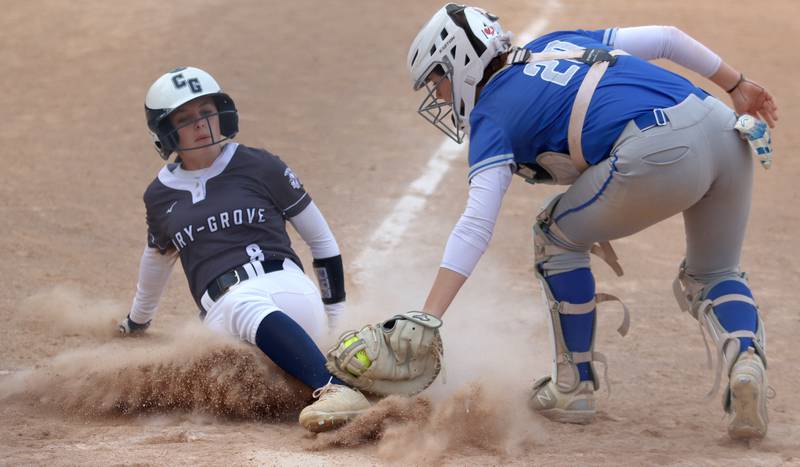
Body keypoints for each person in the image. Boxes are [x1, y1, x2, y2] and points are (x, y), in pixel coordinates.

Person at [404, 4, 778, 440]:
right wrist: (736, 84)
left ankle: (573, 387)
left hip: (659, 150)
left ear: (461, 62)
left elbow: (475, 224)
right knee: (716, 272)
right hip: (725, 128)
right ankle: (746, 359)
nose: (440, 95)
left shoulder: (492, 114)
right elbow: (667, 38)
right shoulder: (551, 44)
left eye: (437, 78)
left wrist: (427, 316)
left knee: (554, 236)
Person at [117, 66, 370, 433]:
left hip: (285, 292)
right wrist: (137, 322)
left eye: (206, 112)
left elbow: (322, 242)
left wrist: (338, 322)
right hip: (222, 318)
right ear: (165, 133)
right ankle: (320, 386)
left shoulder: (260, 165)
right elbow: (156, 260)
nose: (201, 124)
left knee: (240, 304)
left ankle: (336, 387)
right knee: (212, 358)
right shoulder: (160, 195)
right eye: (186, 118)